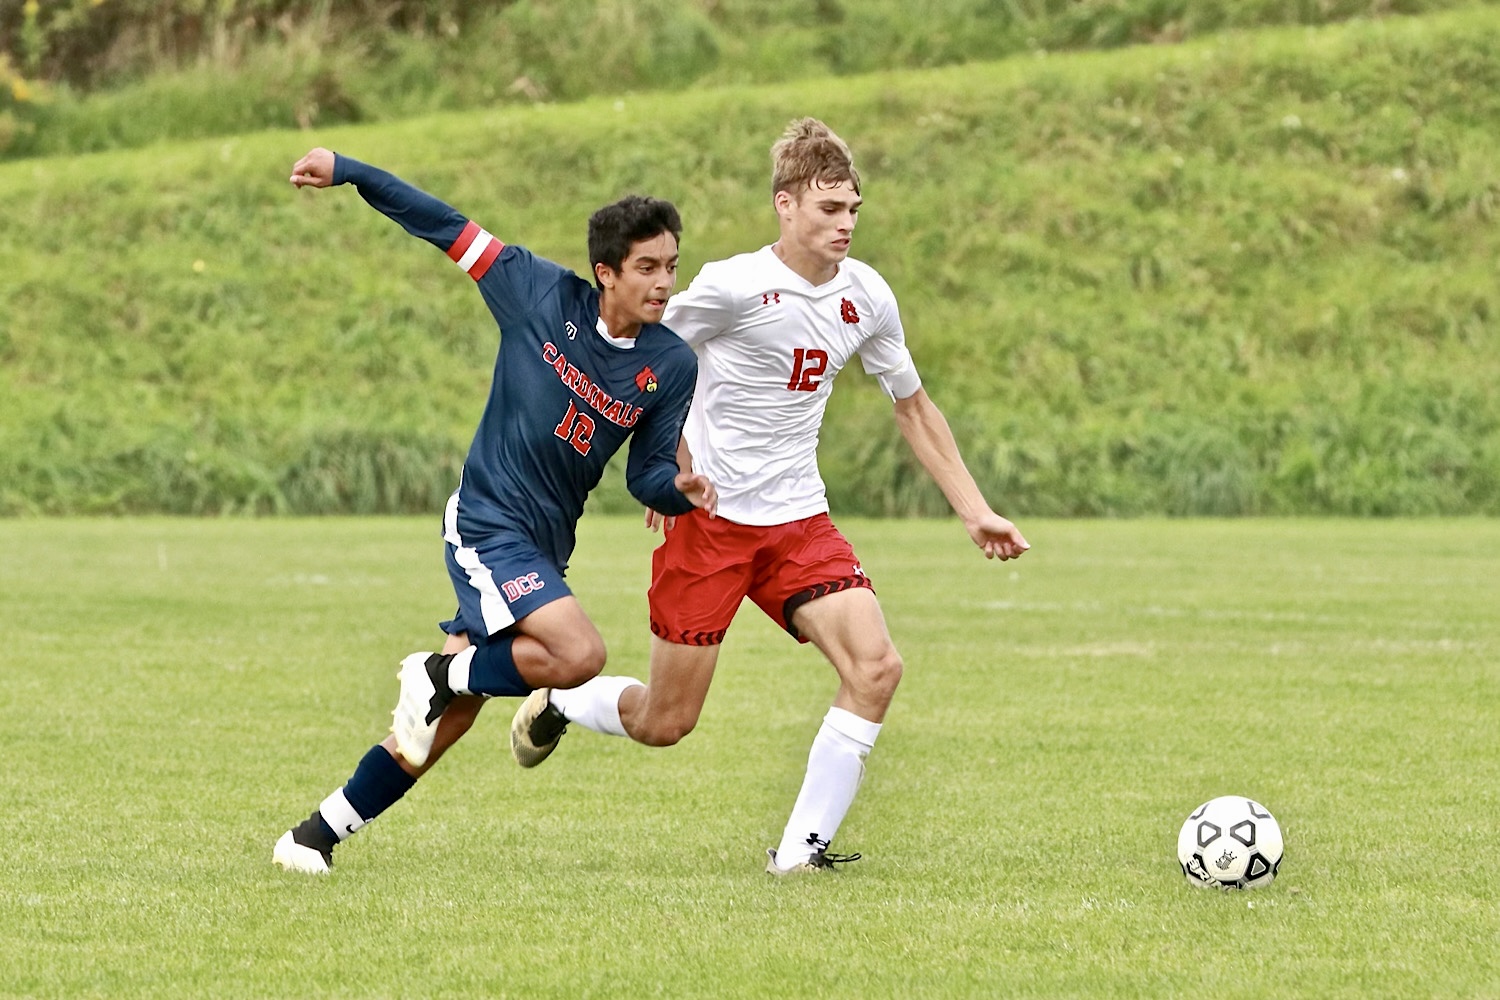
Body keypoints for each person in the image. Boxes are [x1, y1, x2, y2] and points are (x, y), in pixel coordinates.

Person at [508, 118, 1029, 874]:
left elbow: (912, 405)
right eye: (829, 210)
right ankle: (562, 703)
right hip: (711, 526)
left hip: (798, 523)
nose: (845, 224)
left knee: (876, 669)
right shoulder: (733, 287)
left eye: (853, 209)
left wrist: (974, 508)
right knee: (665, 722)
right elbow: (644, 359)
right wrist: (668, 462)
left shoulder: (868, 296)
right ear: (785, 206)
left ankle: (797, 857)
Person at [272, 147, 715, 874]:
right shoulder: (535, 292)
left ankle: (314, 835)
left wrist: (681, 493)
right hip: (487, 522)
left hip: (543, 548)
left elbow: (649, 476)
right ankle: (436, 675)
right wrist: (349, 169)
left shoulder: (671, 364)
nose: (665, 282)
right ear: (606, 271)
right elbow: (440, 223)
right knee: (578, 655)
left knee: (434, 732)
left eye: (671, 266)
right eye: (648, 267)